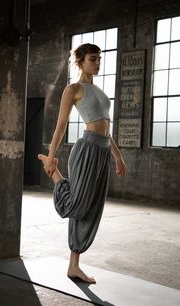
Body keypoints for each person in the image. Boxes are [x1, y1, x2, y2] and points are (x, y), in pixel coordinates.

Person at [38, 43, 126, 284]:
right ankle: (54, 170)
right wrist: (52, 152)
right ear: (80, 61)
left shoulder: (98, 90)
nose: (98, 63)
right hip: (86, 149)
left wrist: (117, 155)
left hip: (103, 151)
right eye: (93, 59)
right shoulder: (73, 89)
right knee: (76, 206)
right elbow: (61, 125)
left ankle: (74, 266)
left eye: (99, 59)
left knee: (92, 208)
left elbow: (106, 128)